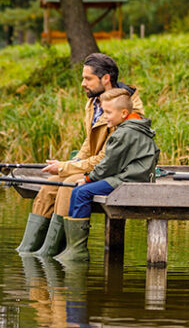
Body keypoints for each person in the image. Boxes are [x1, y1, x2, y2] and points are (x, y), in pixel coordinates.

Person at [16, 53, 144, 256]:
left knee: (68, 186)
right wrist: (70, 163)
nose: (83, 83)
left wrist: (67, 168)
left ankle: (56, 251)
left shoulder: (124, 109)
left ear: (105, 79)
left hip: (115, 170)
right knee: (50, 184)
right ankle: (29, 249)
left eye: (87, 78)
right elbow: (89, 142)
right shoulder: (94, 102)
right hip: (96, 165)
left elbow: (106, 157)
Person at [54, 87, 159, 262]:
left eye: (108, 112)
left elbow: (108, 165)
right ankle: (71, 247)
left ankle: (77, 250)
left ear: (124, 113)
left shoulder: (123, 133)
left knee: (82, 192)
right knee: (78, 191)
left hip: (130, 180)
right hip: (132, 176)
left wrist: (88, 178)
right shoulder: (132, 127)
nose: (105, 117)